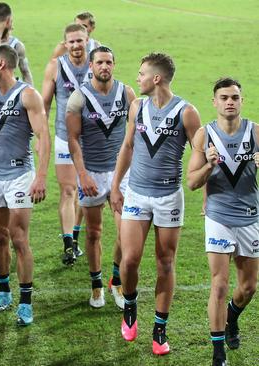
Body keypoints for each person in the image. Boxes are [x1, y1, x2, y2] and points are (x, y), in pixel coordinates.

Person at [110, 53, 201, 355]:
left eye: (142, 74)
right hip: (136, 193)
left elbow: (201, 155)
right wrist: (115, 186)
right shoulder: (137, 106)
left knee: (165, 263)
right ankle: (131, 306)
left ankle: (160, 329)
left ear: (157, 78)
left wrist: (207, 193)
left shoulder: (186, 112)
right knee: (130, 258)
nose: (138, 78)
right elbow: (127, 146)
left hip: (168, 197)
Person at [0, 45, 50, 326]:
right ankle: (4, 292)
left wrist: (40, 176)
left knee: (18, 238)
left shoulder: (28, 95)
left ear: (2, 64)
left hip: (19, 175)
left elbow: (43, 134)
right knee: (0, 236)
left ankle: (25, 303)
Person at [186, 78, 259, 366]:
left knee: (249, 287)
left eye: (235, 97)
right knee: (219, 284)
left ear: (242, 101)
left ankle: (232, 316)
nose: (230, 102)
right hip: (218, 218)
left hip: (251, 218)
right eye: (224, 97)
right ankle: (218, 353)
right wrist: (208, 164)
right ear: (214, 102)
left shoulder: (255, 132)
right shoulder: (205, 136)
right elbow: (191, 182)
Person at [65, 46, 136, 309]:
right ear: (91, 67)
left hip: (121, 173)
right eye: (100, 63)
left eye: (108, 62)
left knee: (125, 231)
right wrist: (82, 175)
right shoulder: (79, 98)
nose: (104, 67)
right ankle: (96, 286)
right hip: (91, 173)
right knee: (94, 232)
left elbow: (135, 134)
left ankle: (115, 279)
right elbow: (73, 139)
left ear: (114, 65)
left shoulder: (127, 93)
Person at [41, 23, 91, 266]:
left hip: (93, 142)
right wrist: (42, 138)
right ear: (65, 43)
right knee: (69, 190)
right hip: (64, 138)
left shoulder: (98, 64)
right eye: (71, 41)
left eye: (79, 40)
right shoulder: (56, 66)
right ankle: (69, 244)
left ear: (88, 39)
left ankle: (79, 233)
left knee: (85, 192)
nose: (76, 46)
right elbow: (45, 105)